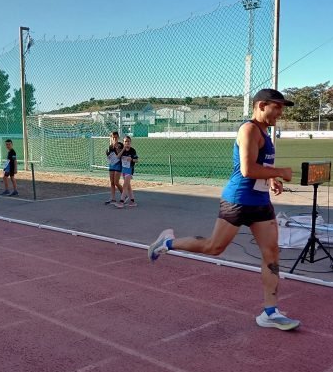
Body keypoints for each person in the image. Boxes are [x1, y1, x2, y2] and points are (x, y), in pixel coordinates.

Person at [147, 88, 300, 331]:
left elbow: (260, 164)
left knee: (271, 253)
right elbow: (248, 170)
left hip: (260, 202)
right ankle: (167, 242)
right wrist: (281, 171)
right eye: (277, 107)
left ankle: (270, 312)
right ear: (262, 105)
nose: (280, 112)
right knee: (214, 247)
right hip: (238, 201)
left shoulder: (265, 132)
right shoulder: (249, 129)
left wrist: (271, 179)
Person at [114, 136, 139, 208]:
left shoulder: (132, 150)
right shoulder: (123, 150)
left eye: (128, 141)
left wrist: (131, 159)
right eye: (125, 141)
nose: (127, 143)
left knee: (125, 185)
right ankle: (132, 201)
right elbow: (118, 157)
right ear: (123, 143)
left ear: (130, 142)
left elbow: (137, 160)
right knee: (128, 186)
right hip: (124, 170)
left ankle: (121, 202)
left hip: (129, 170)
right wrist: (123, 149)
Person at [105, 131, 124, 205]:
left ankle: (124, 195)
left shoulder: (120, 145)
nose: (114, 139)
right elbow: (110, 156)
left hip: (118, 164)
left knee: (116, 182)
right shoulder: (110, 146)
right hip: (112, 164)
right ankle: (113, 198)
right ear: (111, 138)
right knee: (112, 182)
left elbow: (120, 155)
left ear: (118, 137)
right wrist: (107, 154)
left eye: (116, 137)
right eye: (113, 137)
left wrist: (117, 149)